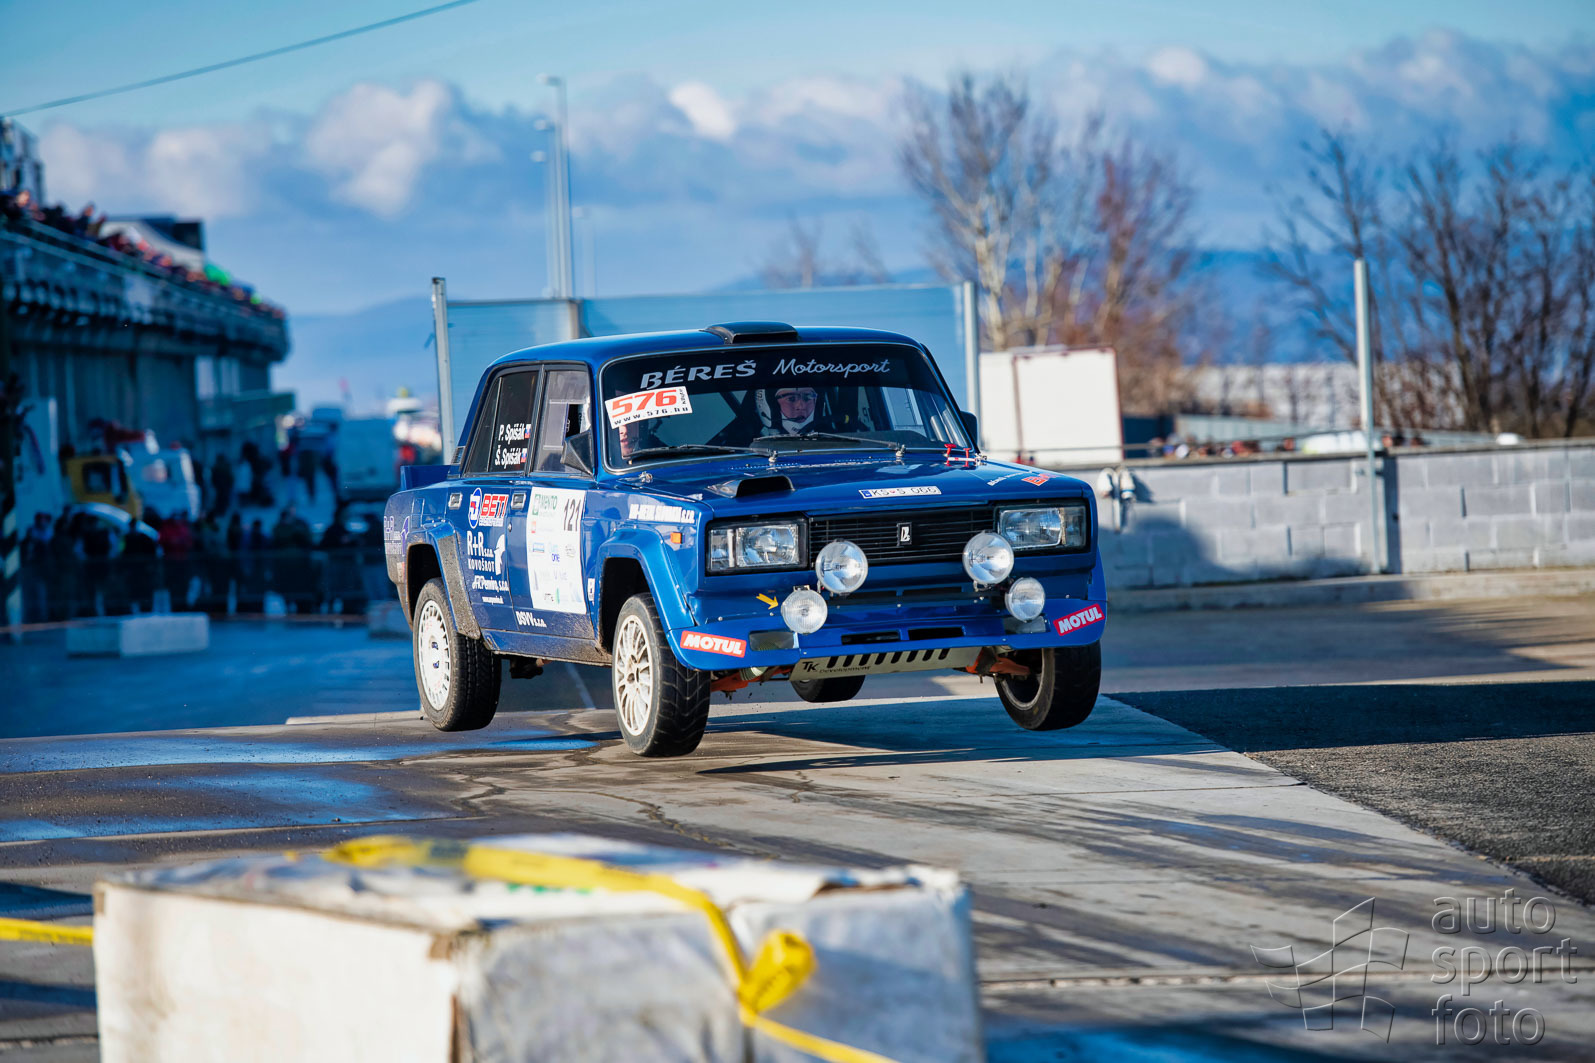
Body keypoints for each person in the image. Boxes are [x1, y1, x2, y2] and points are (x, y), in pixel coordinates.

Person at [754, 387, 821, 436]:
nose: (801, 407)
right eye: (791, 399)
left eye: (808, 397)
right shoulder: (755, 448)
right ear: (772, 405)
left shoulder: (826, 437)